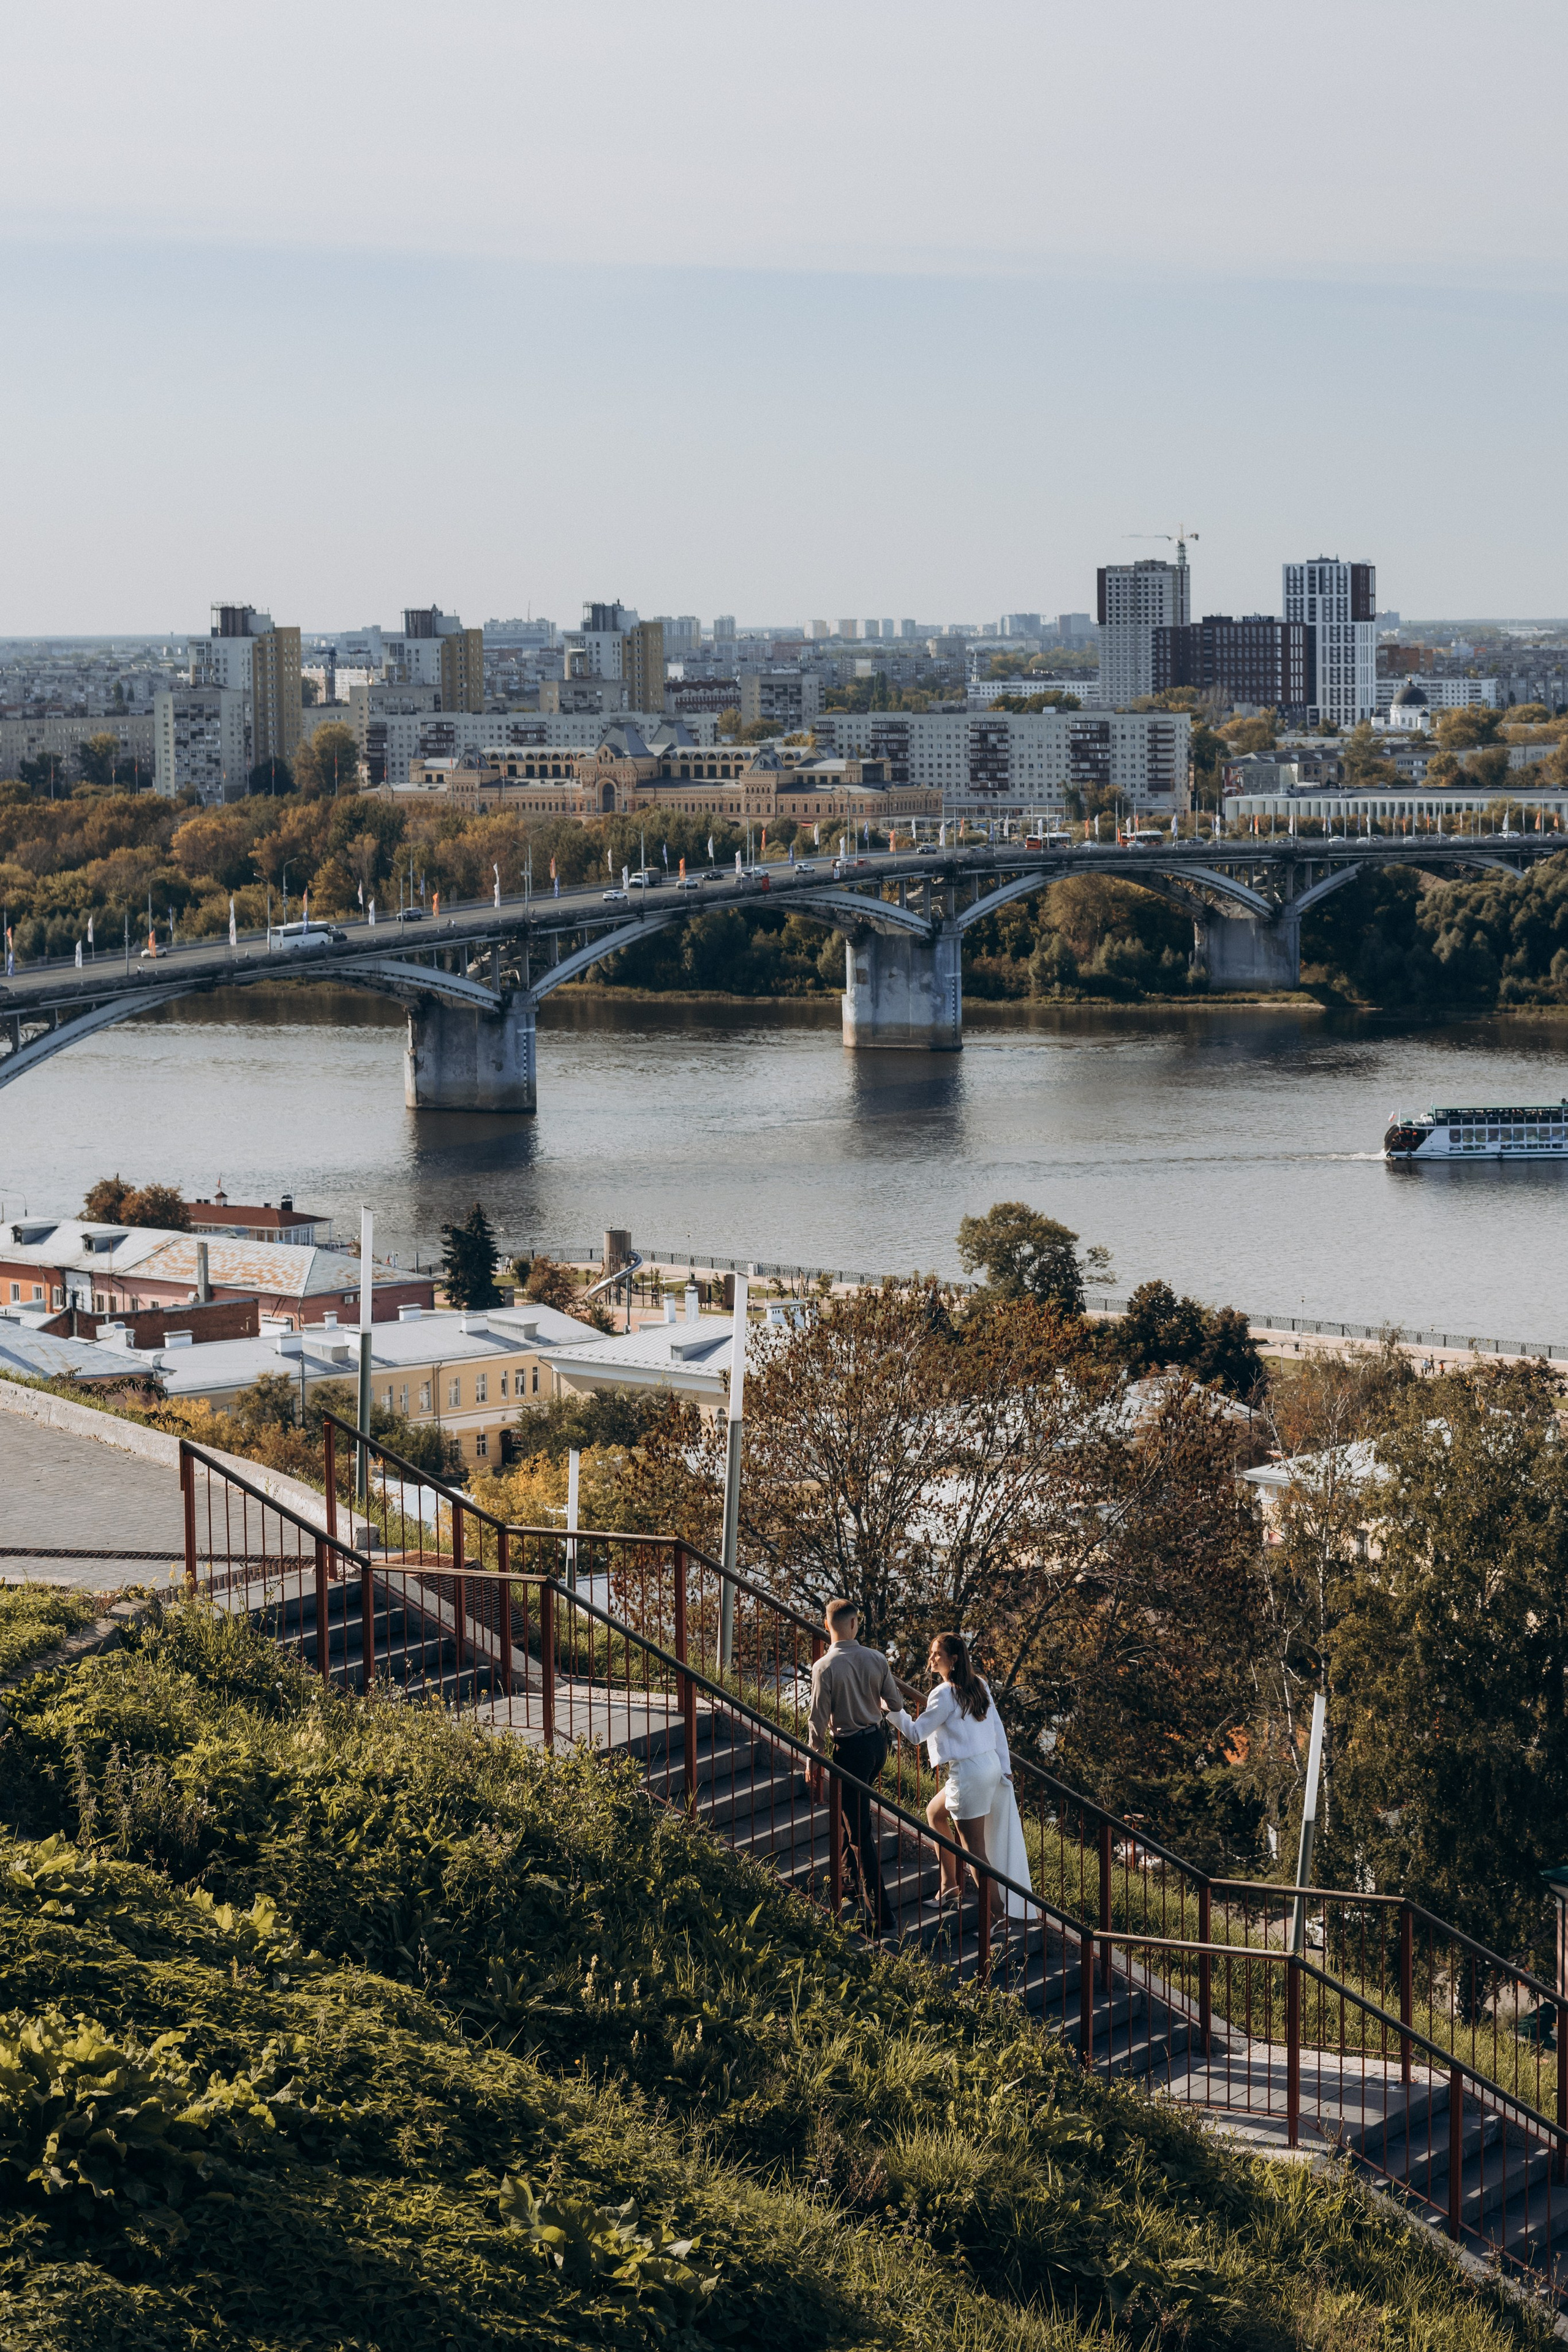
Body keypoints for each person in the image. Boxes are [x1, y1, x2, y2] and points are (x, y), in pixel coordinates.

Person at [895, 1633, 1012, 1928]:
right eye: (931, 1653)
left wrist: (892, 1711)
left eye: (937, 1654)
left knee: (975, 1851)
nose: (932, 1659)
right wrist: (1005, 1767)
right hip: (988, 1766)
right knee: (935, 1814)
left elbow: (915, 1734)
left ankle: (998, 1914)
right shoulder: (979, 1684)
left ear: (954, 1659)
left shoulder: (944, 1694)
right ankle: (949, 1886)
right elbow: (997, 1729)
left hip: (969, 1774)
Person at [806, 1597, 903, 1932]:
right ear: (854, 1625)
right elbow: (896, 1702)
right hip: (878, 1745)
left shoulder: (824, 1667)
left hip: (848, 1751)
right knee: (852, 1815)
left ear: (826, 1625)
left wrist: (813, 1760)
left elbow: (818, 1720)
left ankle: (882, 1915)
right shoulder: (876, 1659)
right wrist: (868, 1699)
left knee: (859, 1831)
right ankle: (848, 1882)